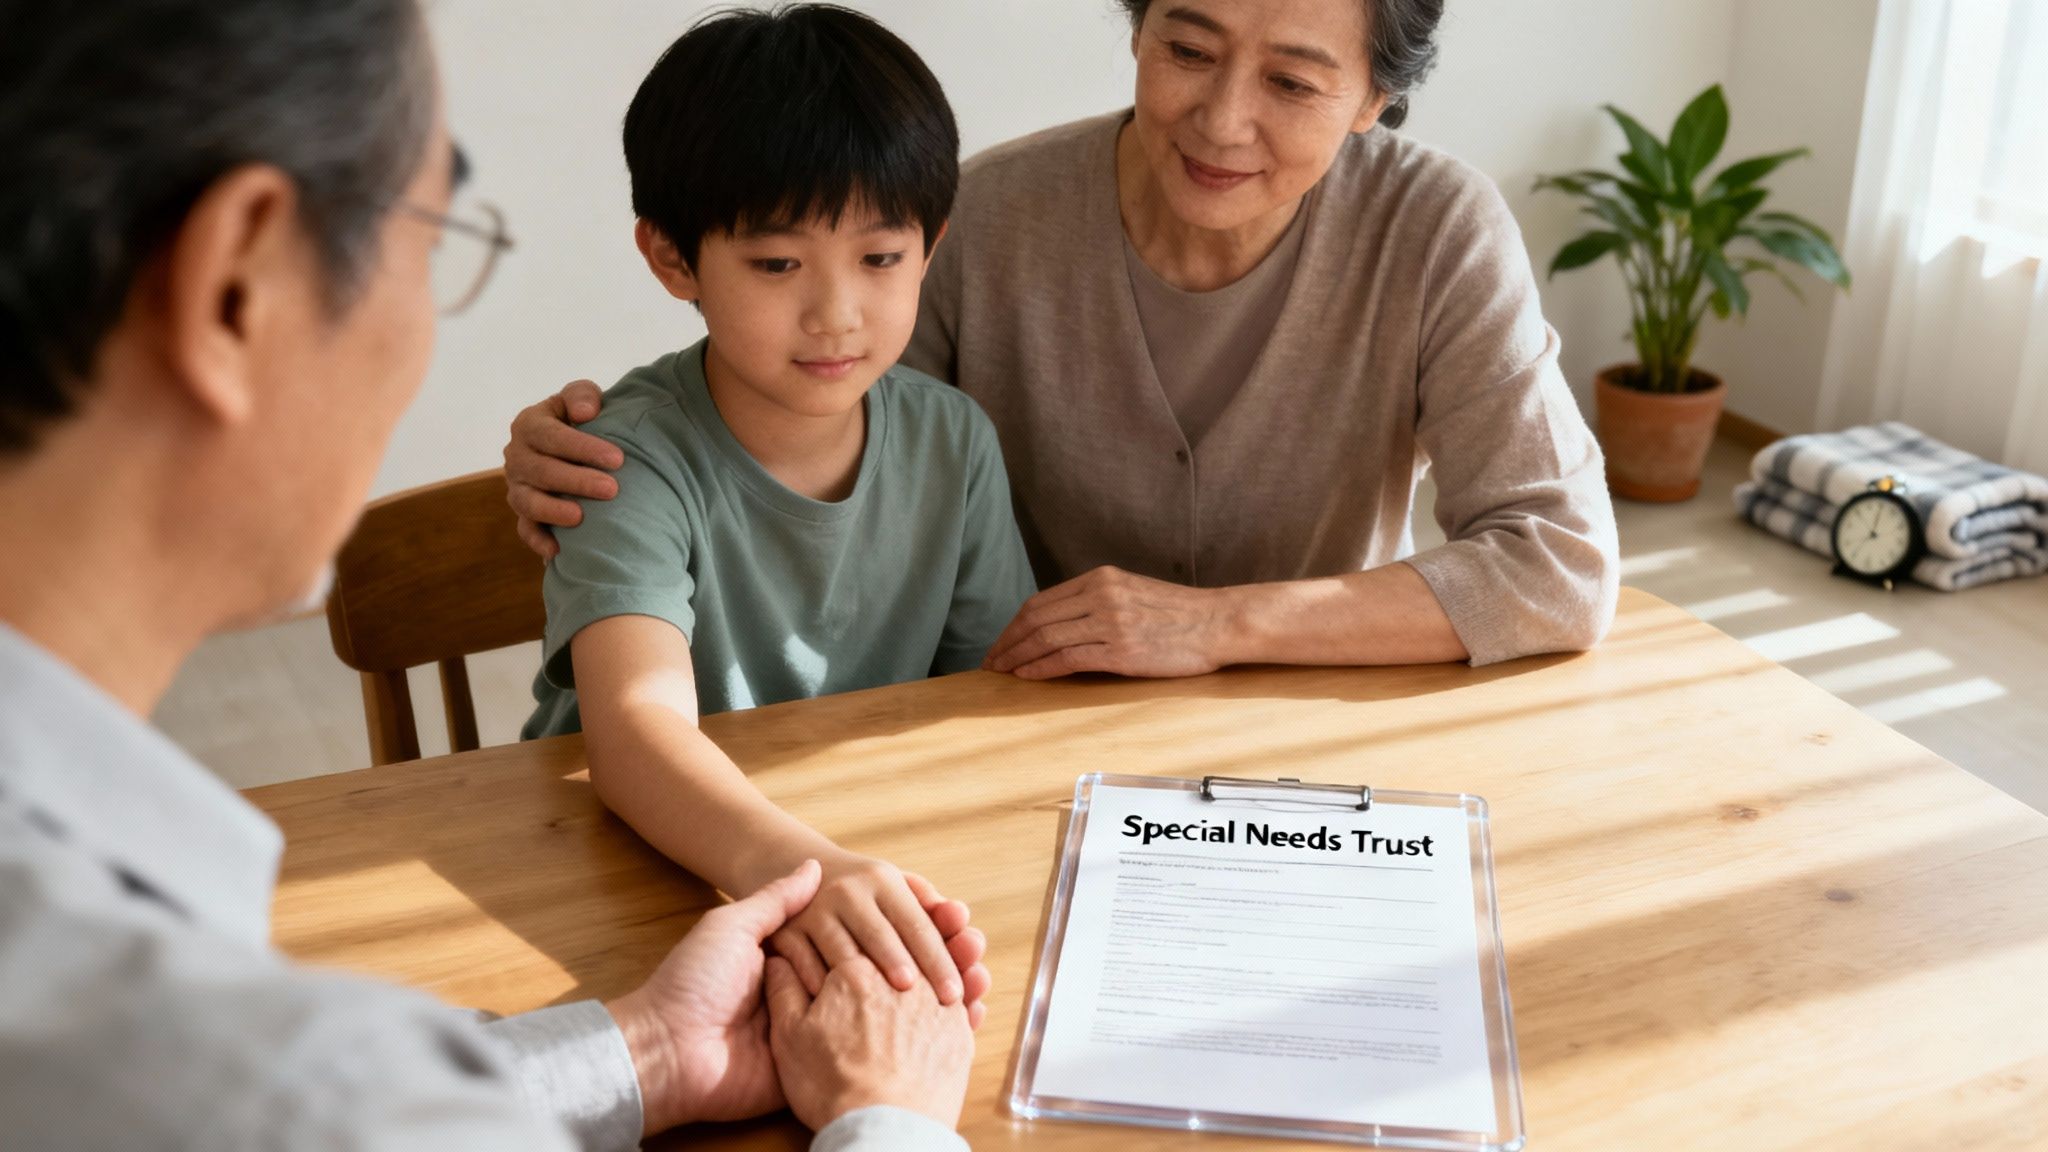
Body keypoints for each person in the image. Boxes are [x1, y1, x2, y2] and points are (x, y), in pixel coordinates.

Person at [0, 2, 980, 1148]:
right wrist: (887, 1119)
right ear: (235, 285)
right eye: (429, 236)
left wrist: (650, 1050)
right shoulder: (273, 1084)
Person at [506, 0, 1621, 681]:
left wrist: (1214, 626)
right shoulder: (977, 220)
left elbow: (1559, 570)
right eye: (1186, 48)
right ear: (1136, 27)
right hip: (1024, 718)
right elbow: (830, 470)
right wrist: (611, 452)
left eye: (1290, 81)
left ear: (1377, 95)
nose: (1222, 119)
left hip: (1311, 732)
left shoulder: (1433, 229)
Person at [520, 5, 1032, 1012]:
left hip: (844, 855)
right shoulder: (625, 460)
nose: (836, 312)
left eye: (880, 259)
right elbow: (630, 735)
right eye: (776, 265)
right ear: (672, 260)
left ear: (929, 247)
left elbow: (989, 699)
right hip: (632, 861)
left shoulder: (952, 439)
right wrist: (812, 872)